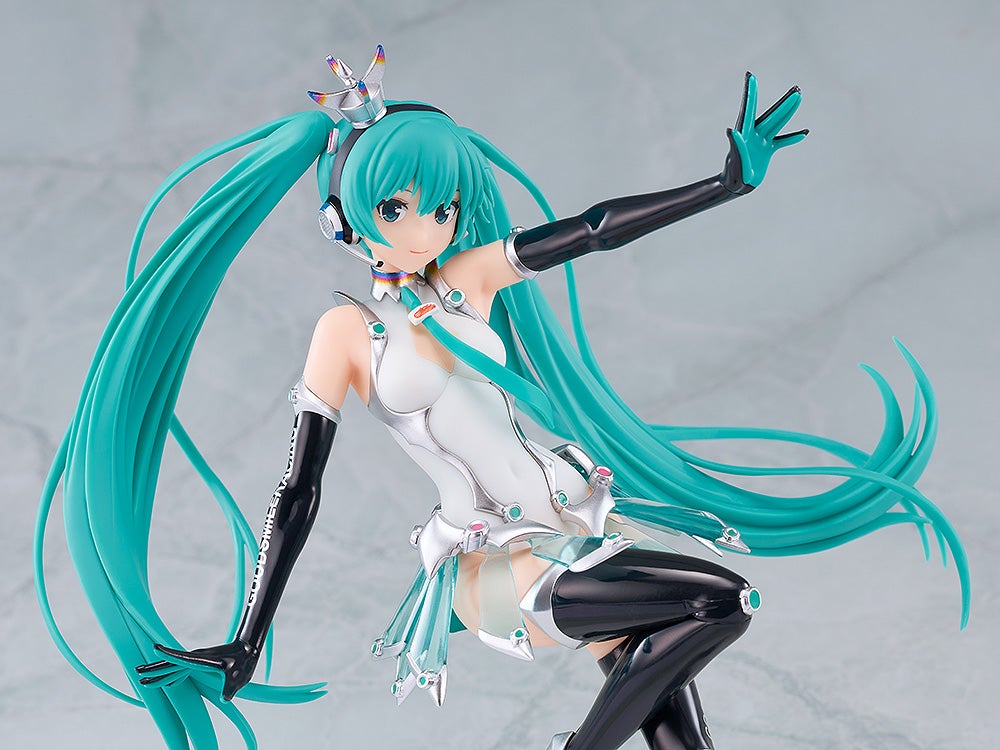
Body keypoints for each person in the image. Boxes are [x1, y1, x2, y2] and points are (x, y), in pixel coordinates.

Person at [35, 46, 970, 750]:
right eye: (398, 208)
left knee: (679, 727)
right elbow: (298, 491)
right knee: (723, 601)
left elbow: (591, 230)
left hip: (581, 531)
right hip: (501, 567)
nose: (425, 228)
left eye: (441, 208)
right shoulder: (345, 334)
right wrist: (247, 639)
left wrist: (721, 187)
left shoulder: (466, 280)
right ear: (347, 216)